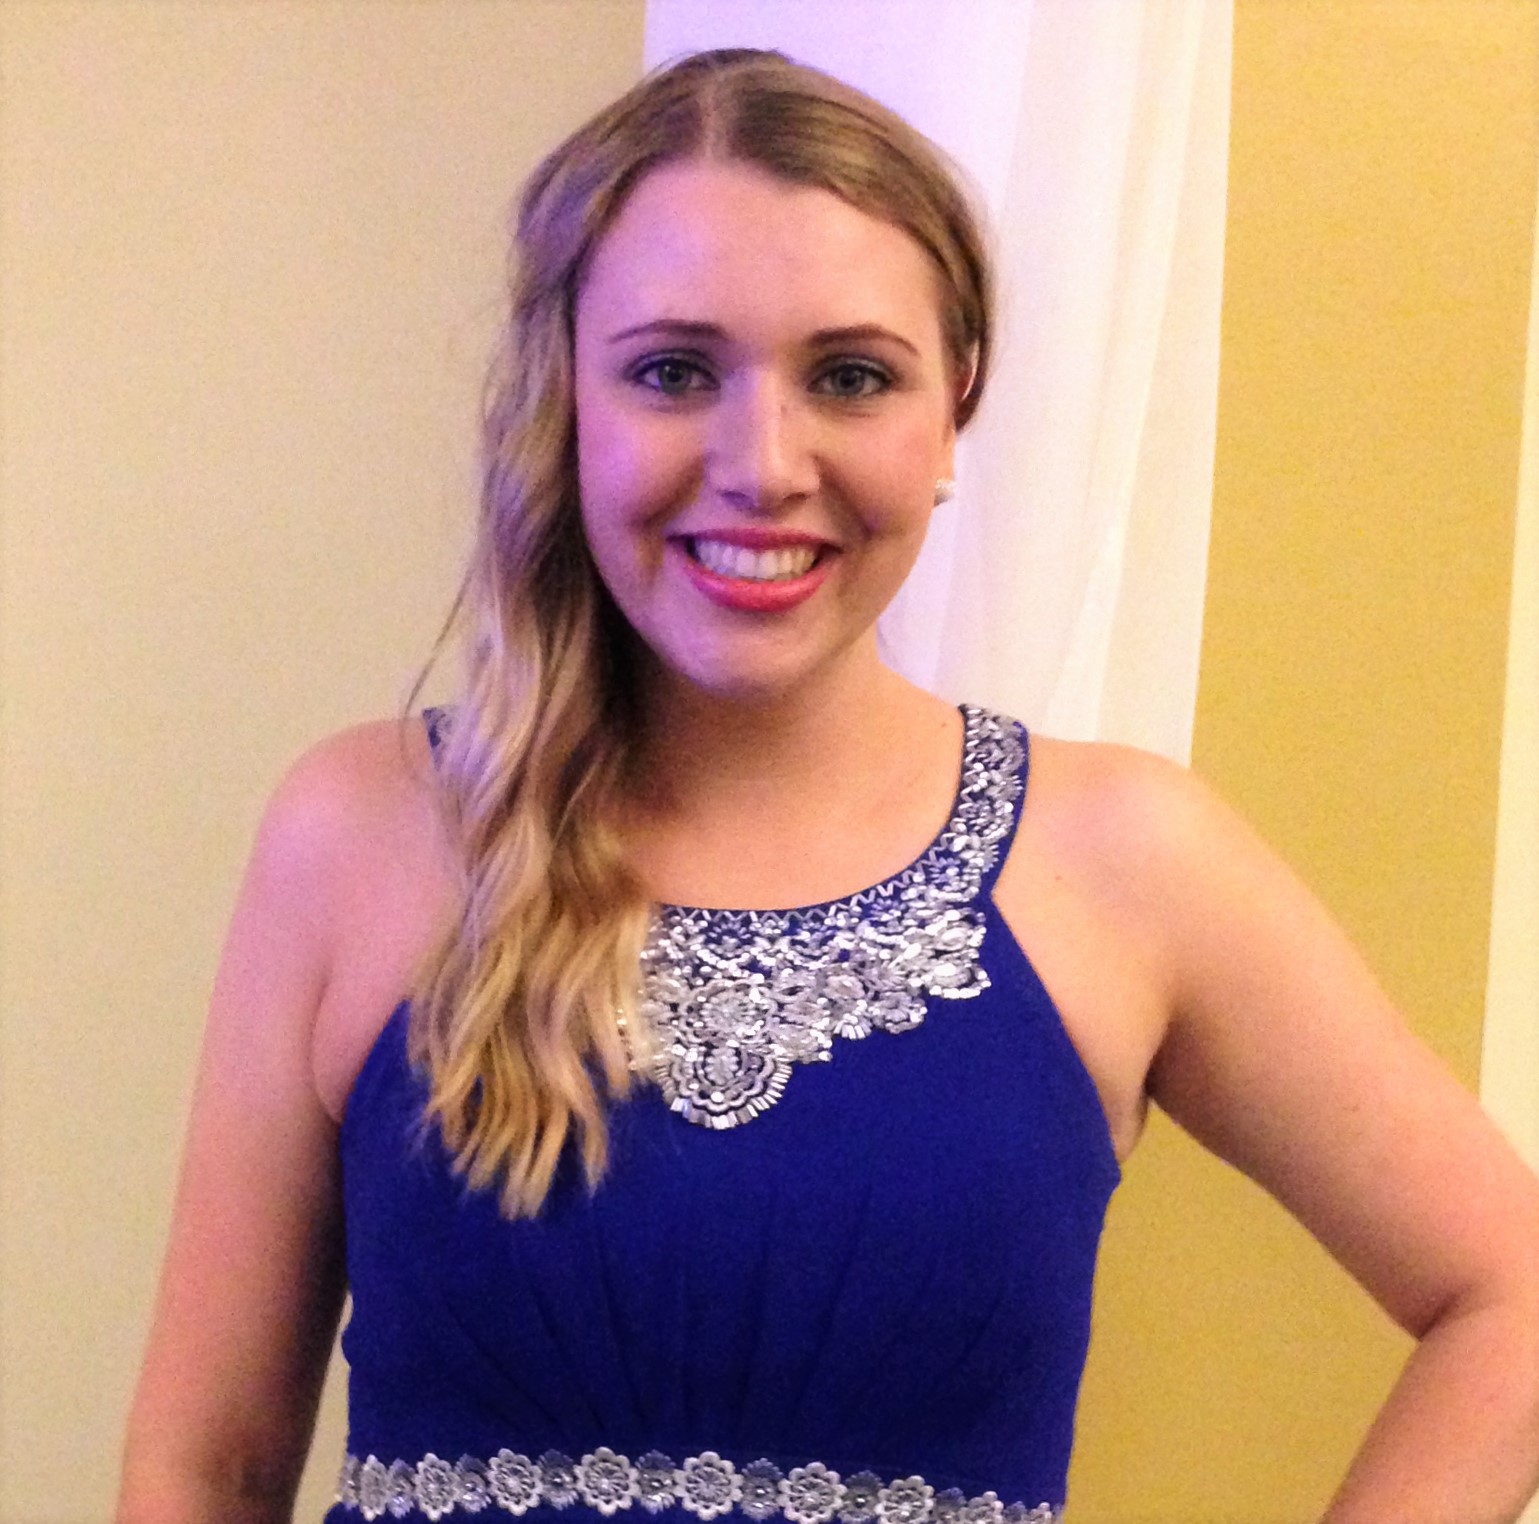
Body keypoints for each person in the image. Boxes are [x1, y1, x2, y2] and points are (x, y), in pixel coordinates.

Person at [117, 48, 1539, 1524]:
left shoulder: (1127, 861)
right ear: (566, 395)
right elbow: (206, 1462)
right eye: (675, 372)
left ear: (953, 409)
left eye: (851, 376)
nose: (765, 465)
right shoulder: (360, 833)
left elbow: (1513, 1294)